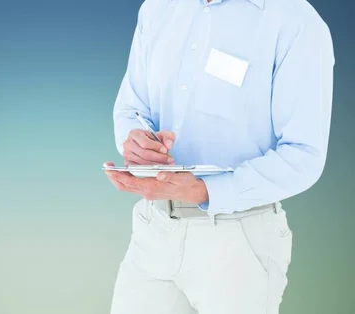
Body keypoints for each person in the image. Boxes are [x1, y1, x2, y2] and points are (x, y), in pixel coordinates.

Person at [103, 0, 334, 313]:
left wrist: (204, 190)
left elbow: (304, 155)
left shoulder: (296, 22)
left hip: (238, 244)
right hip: (153, 229)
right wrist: (137, 142)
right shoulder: (157, 8)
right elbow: (132, 108)